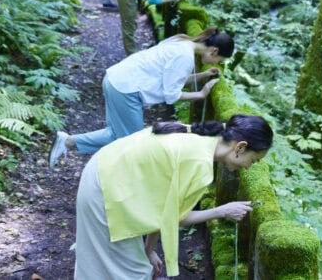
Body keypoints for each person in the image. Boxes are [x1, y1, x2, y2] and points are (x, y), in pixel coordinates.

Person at [74, 114, 273, 279]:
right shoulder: (199, 163)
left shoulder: (200, 137)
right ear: (240, 147)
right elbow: (176, 217)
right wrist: (223, 211)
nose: (248, 167)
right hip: (104, 189)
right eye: (253, 160)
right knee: (133, 273)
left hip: (105, 170)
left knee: (115, 267)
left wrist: (149, 250)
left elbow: (164, 205)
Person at [48, 27, 234, 167]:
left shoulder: (182, 41)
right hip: (125, 88)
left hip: (118, 80)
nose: (217, 62)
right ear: (214, 51)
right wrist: (201, 94)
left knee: (118, 135)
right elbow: (171, 95)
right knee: (133, 143)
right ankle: (106, 174)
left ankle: (69, 141)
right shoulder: (184, 57)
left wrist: (202, 75)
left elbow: (171, 80)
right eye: (220, 60)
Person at [116, 0, 200, 56]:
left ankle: (133, 52)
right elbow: (152, 0)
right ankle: (132, 57)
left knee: (132, 24)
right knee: (128, 24)